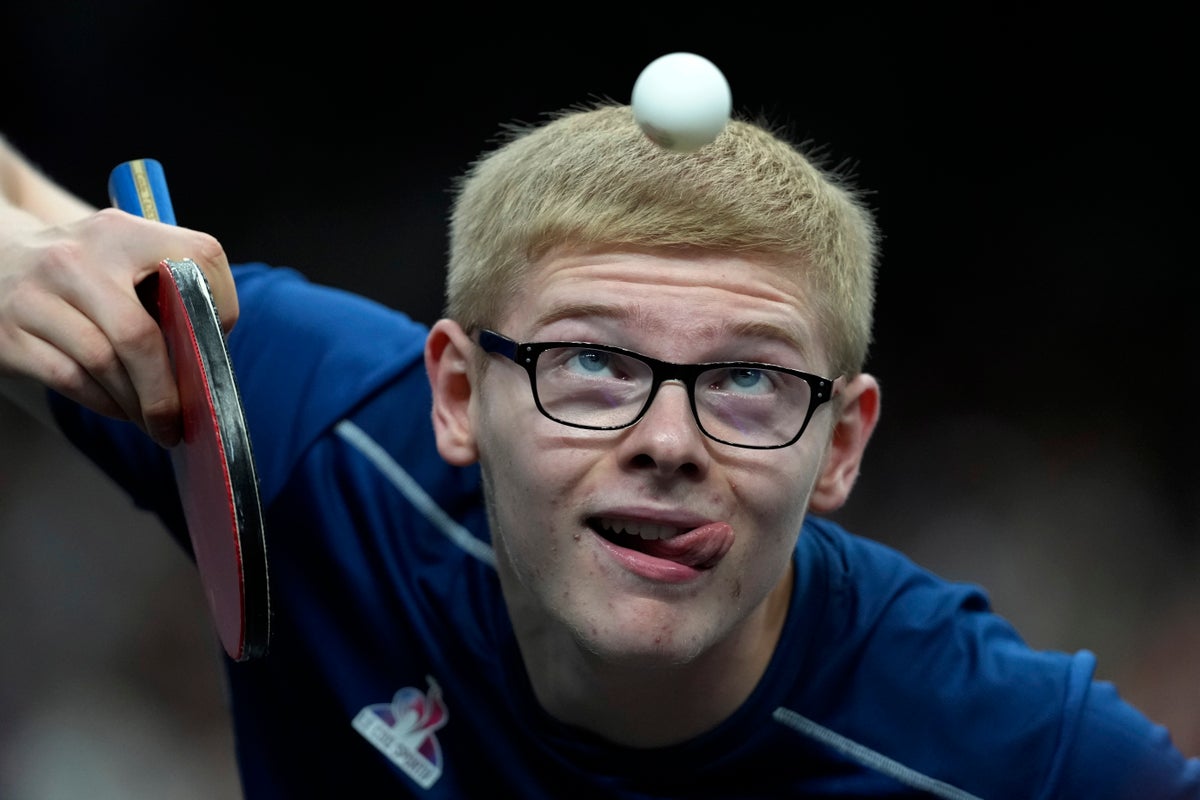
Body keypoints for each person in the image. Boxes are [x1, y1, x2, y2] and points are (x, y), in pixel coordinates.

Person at [0, 102, 1196, 799]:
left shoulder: (1014, 751)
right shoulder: (326, 431)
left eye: (747, 378)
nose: (666, 442)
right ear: (457, 393)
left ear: (841, 443)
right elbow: (40, 222)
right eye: (592, 363)